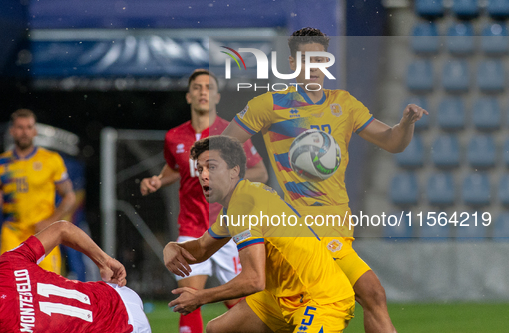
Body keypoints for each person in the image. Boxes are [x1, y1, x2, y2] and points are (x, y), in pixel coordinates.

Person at [222, 27, 428, 333]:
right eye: (307, 60)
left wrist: (405, 123)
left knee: (228, 326)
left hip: (338, 228)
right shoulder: (269, 105)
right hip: (302, 232)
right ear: (292, 64)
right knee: (372, 293)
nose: (314, 67)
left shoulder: (343, 104)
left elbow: (392, 141)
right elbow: (221, 149)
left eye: (320, 60)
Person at [164, 135, 355, 333]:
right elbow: (202, 248)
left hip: (322, 297)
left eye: (211, 167)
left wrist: (200, 297)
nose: (203, 175)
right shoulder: (238, 202)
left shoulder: (244, 205)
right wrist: (173, 247)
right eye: (200, 169)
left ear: (234, 171)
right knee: (218, 329)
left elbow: (254, 280)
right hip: (279, 298)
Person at [139, 69, 268, 333]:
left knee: (238, 302)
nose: (202, 92)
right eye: (197, 88)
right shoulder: (174, 136)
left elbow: (260, 172)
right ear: (188, 96)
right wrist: (157, 181)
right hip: (191, 229)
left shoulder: (232, 133)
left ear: (217, 96)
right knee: (188, 295)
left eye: (208, 87)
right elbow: (175, 167)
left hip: (227, 230)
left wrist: (229, 182)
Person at [0, 220, 151, 333]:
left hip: (125, 327)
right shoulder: (4, 266)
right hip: (116, 292)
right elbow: (62, 229)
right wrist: (104, 261)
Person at [0, 109, 76, 274]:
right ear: (12, 131)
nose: (24, 132)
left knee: (49, 289)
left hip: (43, 236)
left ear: (34, 131)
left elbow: (69, 197)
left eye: (28, 127)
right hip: (12, 235)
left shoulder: (51, 160)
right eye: (20, 127)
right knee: (10, 287)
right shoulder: (0, 163)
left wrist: (51, 221)